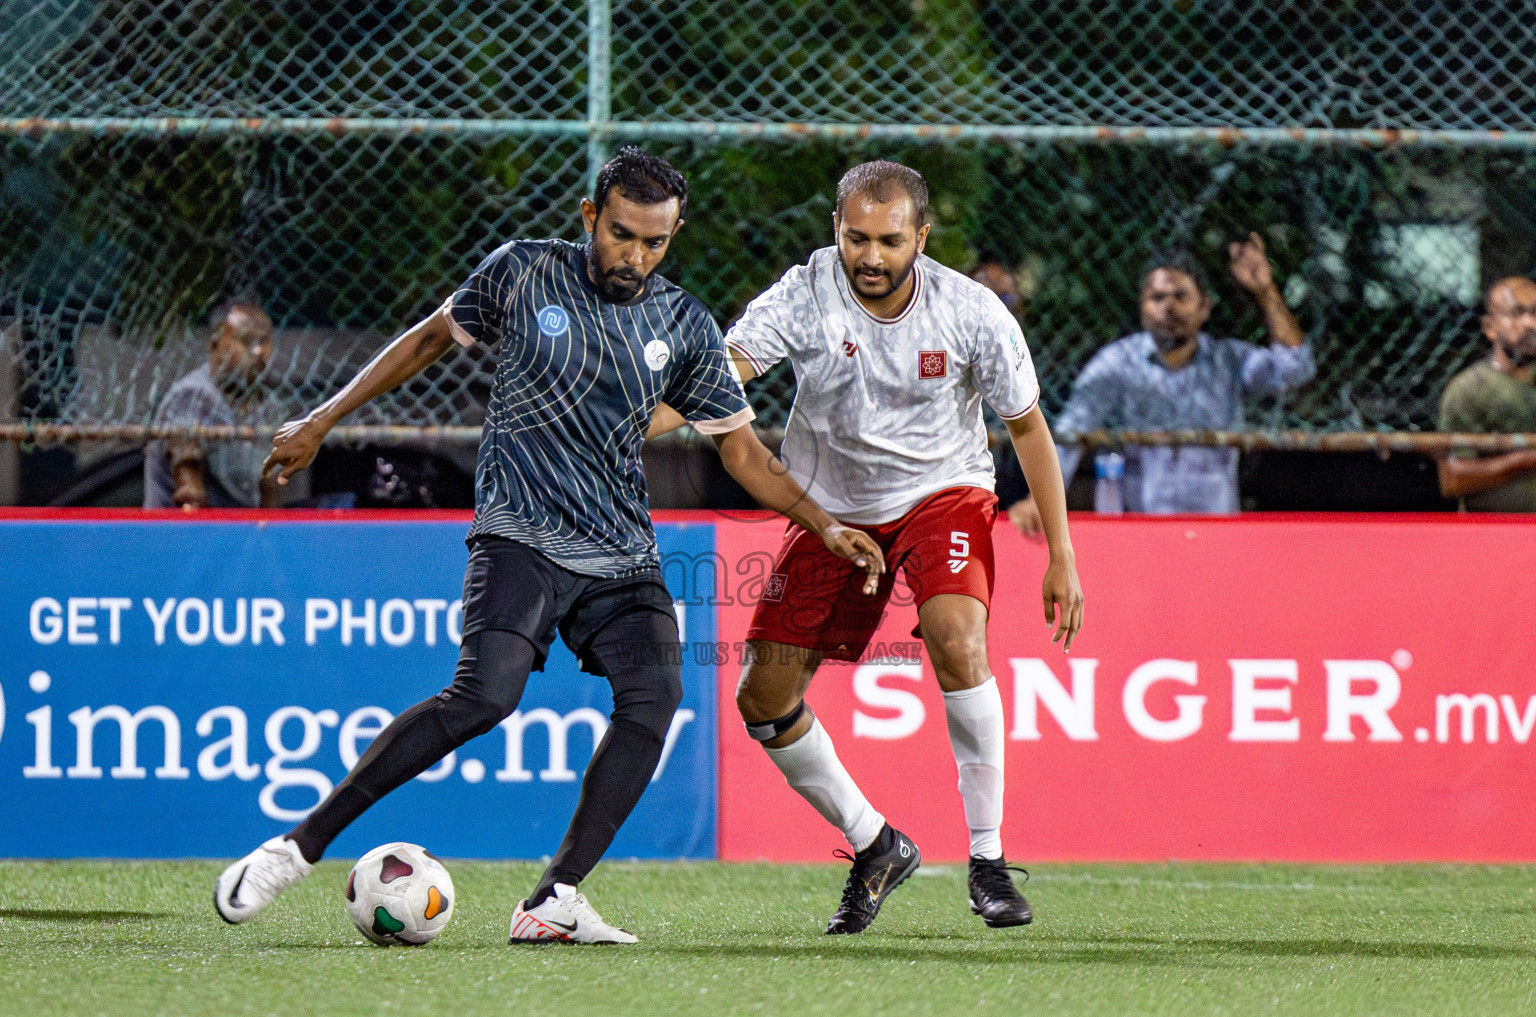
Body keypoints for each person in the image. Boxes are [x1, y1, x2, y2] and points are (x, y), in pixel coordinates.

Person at [213, 148, 885, 944]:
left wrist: (826, 524)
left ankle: (553, 900)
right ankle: (295, 848)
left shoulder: (685, 324)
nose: (636, 256)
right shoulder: (522, 273)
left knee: (657, 697)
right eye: (623, 235)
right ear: (589, 217)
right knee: (484, 699)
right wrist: (322, 419)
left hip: (621, 553)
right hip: (519, 532)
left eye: (656, 242)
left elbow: (742, 452)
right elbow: (429, 340)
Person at [651, 160, 1084, 934]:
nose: (871, 256)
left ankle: (988, 861)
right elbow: (719, 381)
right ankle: (875, 843)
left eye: (889, 240)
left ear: (921, 236)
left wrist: (1063, 555)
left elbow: (1029, 431)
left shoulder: (973, 311)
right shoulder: (804, 291)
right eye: (856, 238)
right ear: (837, 233)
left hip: (942, 492)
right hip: (832, 510)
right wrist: (609, 431)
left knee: (956, 638)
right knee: (762, 698)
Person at [1010, 237, 1313, 528]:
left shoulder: (1229, 360)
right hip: (1143, 529)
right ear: (1142, 308)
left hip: (1219, 527)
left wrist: (1265, 290)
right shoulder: (1118, 364)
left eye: (1181, 296)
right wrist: (1041, 500)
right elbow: (1071, 431)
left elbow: (1295, 369)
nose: (1168, 307)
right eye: (1157, 297)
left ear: (1204, 307)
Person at [143, 301, 278, 510]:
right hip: (184, 530)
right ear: (215, 343)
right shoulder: (192, 395)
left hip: (241, 532)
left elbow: (268, 487)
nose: (258, 351)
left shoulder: (268, 405)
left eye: (264, 341)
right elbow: (187, 477)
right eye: (246, 341)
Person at [1437, 276, 1536, 511]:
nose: (1529, 323)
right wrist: (1524, 461)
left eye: (1534, 313)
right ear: (1490, 328)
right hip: (1491, 534)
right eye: (1516, 314)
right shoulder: (1469, 390)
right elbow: (1452, 479)